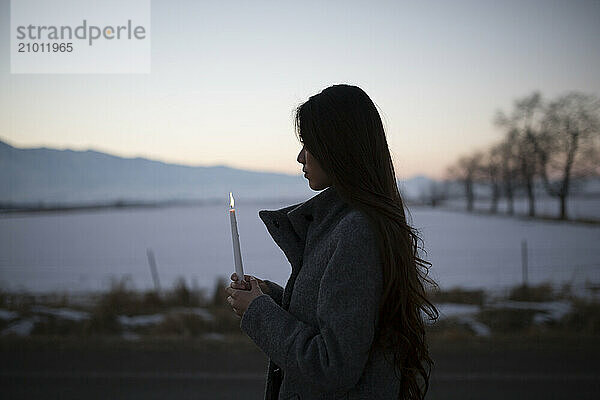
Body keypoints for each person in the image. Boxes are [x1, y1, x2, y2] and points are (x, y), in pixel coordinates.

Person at [225, 84, 439, 400]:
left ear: (338, 148)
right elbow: (344, 319)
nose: (300, 157)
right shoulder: (348, 222)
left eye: (308, 145)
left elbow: (333, 365)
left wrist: (258, 311)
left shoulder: (357, 232)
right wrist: (269, 296)